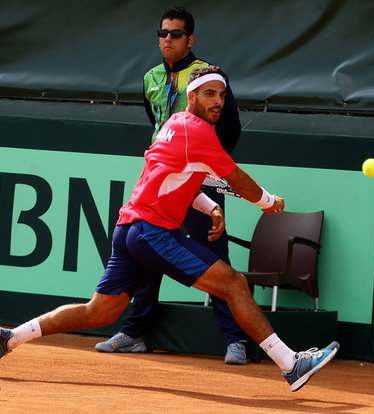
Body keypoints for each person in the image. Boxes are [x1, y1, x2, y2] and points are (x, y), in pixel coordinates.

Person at [0, 66, 339, 392]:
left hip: (130, 229)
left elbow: (173, 178)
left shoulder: (173, 124)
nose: (218, 101)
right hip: (153, 231)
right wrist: (268, 202)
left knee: (99, 312)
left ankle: (8, 338)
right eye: (210, 94)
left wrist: (210, 206)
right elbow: (239, 181)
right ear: (192, 96)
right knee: (234, 284)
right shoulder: (200, 132)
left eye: (222, 95)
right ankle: (292, 364)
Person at [95, 6, 248, 364]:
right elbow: (157, 126)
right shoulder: (149, 77)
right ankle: (134, 333)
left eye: (175, 34)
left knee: (214, 254)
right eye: (162, 33)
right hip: (158, 185)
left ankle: (234, 340)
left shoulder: (208, 75)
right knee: (145, 253)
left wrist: (209, 171)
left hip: (199, 181)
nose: (167, 39)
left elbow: (231, 127)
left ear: (190, 39)